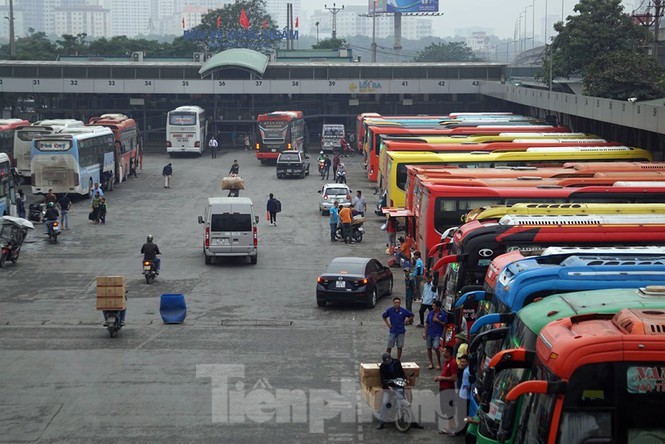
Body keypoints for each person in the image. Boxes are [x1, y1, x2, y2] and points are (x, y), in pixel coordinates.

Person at [376, 352, 406, 430]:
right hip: (389, 386)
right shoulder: (382, 367)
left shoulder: (397, 362)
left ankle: (408, 418)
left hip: (398, 384)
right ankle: (381, 422)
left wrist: (405, 379)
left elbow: (401, 373)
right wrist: (388, 387)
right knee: (385, 402)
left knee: (403, 400)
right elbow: (383, 380)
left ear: (390, 359)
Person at [434, 345, 459, 436]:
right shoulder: (446, 362)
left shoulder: (452, 363)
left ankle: (449, 427)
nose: (442, 352)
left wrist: (442, 378)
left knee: (449, 408)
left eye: (444, 351)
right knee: (445, 408)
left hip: (448, 389)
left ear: (448, 353)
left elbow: (454, 378)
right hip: (443, 388)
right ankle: (452, 425)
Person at [382, 297, 415, 361]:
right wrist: (388, 324)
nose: (396, 304)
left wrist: (407, 320)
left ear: (400, 303)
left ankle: (398, 360)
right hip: (392, 331)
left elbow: (411, 315)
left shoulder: (403, 311)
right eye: (395, 303)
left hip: (401, 331)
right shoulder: (390, 310)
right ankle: (387, 359)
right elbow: (384, 316)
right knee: (389, 346)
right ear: (393, 303)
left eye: (398, 303)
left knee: (399, 346)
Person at [423, 300, 447, 370]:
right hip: (429, 332)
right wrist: (425, 332)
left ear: (438, 307)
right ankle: (431, 363)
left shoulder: (443, 314)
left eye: (434, 306)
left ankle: (438, 363)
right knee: (429, 348)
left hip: (437, 333)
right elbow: (426, 323)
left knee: (436, 347)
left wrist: (438, 321)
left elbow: (445, 324)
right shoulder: (430, 313)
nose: (433, 307)